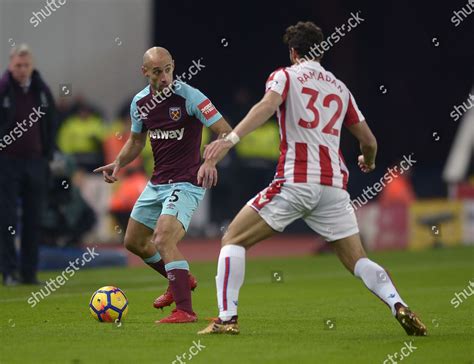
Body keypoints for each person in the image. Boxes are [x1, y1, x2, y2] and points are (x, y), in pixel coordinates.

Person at [198, 22, 427, 336]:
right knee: (358, 259)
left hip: (296, 180)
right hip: (334, 188)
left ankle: (226, 320)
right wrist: (368, 162)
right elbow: (370, 141)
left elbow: (267, 105)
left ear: (293, 52)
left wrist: (230, 140)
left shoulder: (285, 76)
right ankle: (397, 303)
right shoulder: (340, 88)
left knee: (232, 240)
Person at [94, 47, 232, 323]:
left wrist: (210, 161)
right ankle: (178, 278)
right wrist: (119, 163)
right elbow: (136, 141)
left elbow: (227, 131)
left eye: (168, 69)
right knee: (133, 241)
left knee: (163, 238)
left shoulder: (190, 97)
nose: (165, 76)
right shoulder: (139, 103)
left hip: (187, 181)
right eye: (157, 71)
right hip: (157, 182)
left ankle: (185, 311)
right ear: (145, 72)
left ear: (173, 66)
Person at [0, 44, 57, 286]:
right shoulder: (3, 89)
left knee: (34, 219)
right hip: (7, 163)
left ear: (31, 66)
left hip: (35, 163)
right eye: (18, 66)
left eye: (25, 65)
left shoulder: (41, 90)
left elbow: (51, 123)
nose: (22, 70)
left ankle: (29, 273)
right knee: (7, 219)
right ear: (10, 66)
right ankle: (9, 272)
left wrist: (47, 157)